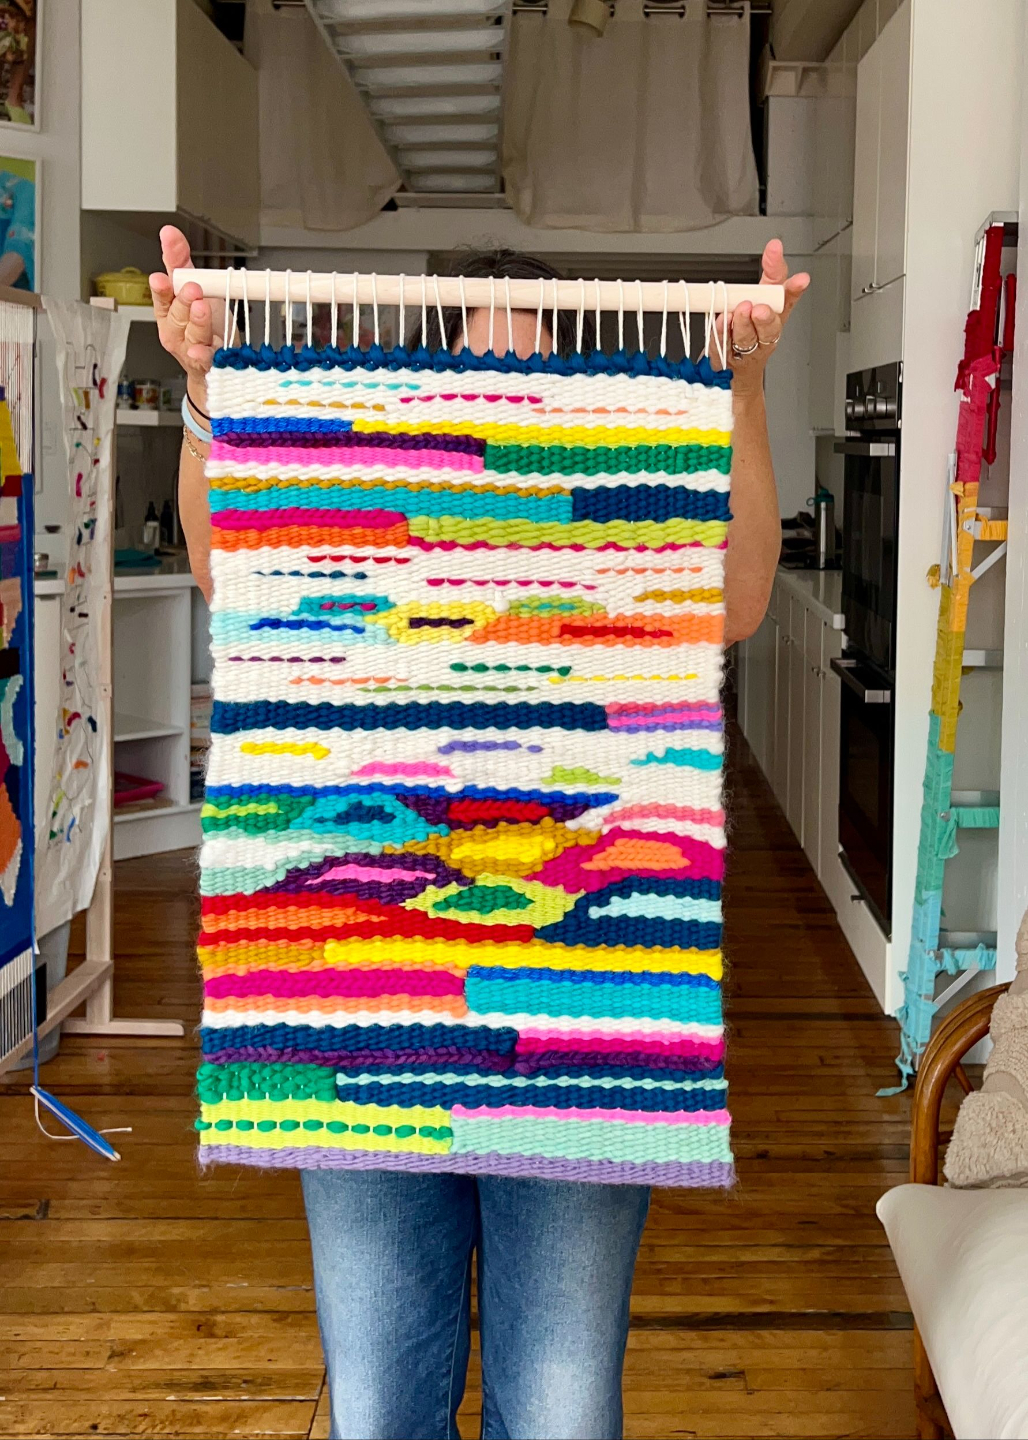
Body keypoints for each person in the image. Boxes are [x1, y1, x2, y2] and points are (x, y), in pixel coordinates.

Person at [151, 226, 808, 1440]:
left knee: (560, 1409)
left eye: (529, 356)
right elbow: (227, 561)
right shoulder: (373, 480)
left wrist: (745, 389)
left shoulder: (617, 501)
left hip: (581, 1006)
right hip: (361, 1001)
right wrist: (204, 393)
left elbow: (737, 595)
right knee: (377, 1405)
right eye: (473, 355)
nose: (500, 384)